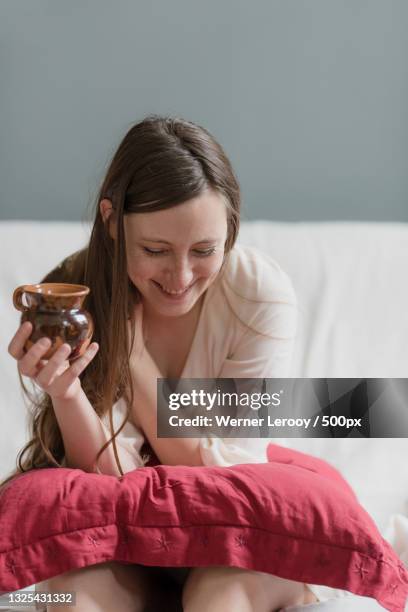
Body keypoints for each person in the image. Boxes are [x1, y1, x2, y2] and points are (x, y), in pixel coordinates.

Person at [5, 115, 322, 611]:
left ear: (231, 228)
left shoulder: (259, 296)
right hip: (133, 542)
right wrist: (67, 394)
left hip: (232, 535)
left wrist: (132, 354)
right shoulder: (79, 288)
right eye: (155, 250)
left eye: (204, 250)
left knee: (216, 597)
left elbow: (225, 478)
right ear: (112, 221)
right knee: (73, 599)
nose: (180, 277)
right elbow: (106, 482)